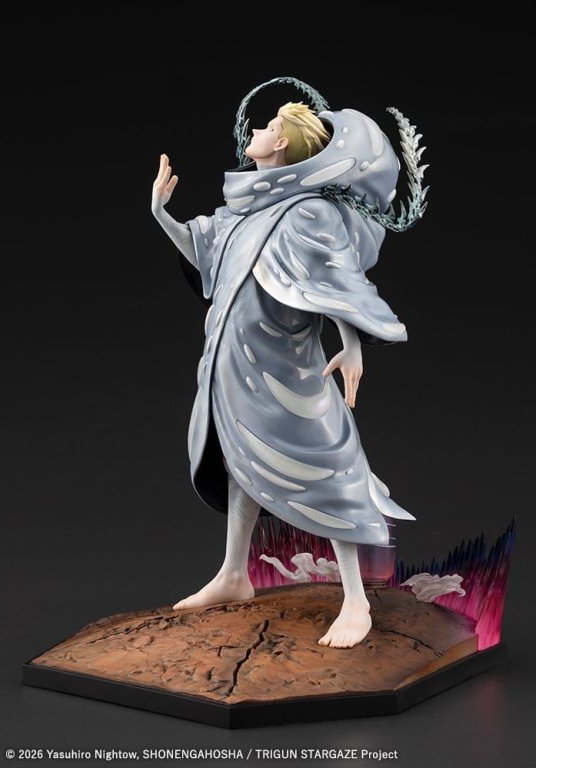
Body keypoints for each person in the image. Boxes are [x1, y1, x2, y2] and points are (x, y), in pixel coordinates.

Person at [151, 93, 420, 648]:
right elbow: (207, 256)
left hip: (291, 369)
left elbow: (334, 281)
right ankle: (234, 574)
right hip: (232, 361)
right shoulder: (246, 208)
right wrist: (161, 214)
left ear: (282, 144)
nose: (258, 128)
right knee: (240, 460)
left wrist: (352, 343)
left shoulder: (307, 211)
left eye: (271, 124)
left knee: (330, 473)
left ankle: (356, 600)